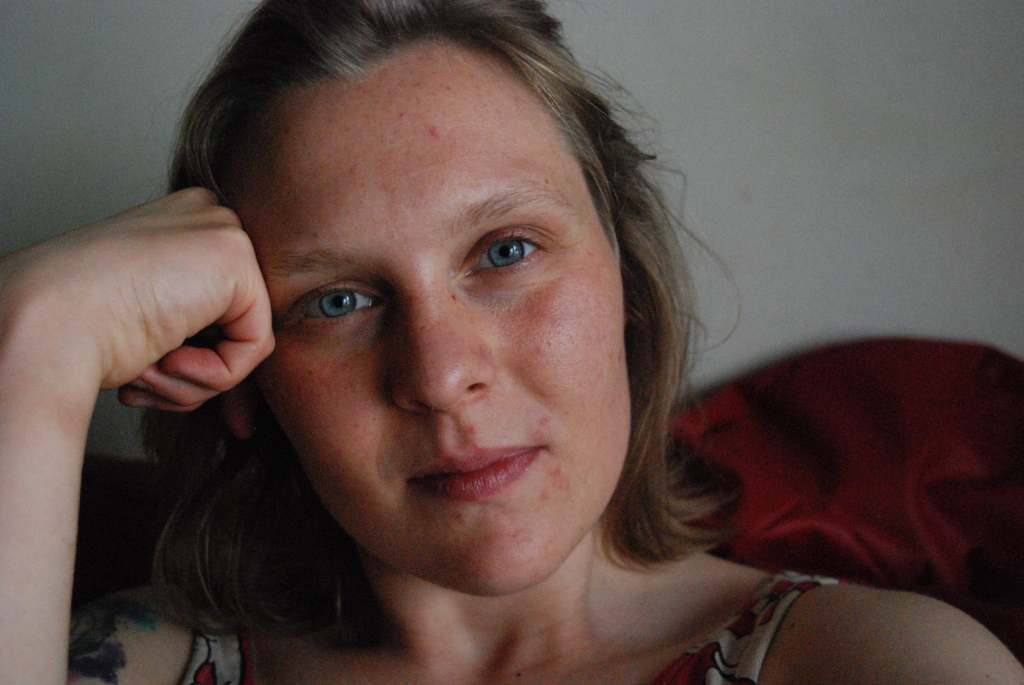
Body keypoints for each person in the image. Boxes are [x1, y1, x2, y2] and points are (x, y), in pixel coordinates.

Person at [0, 1, 1020, 683]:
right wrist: (35, 344)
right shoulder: (133, 659)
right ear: (244, 373)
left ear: (625, 277)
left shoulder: (872, 662)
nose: (442, 375)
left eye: (507, 250)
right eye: (340, 300)